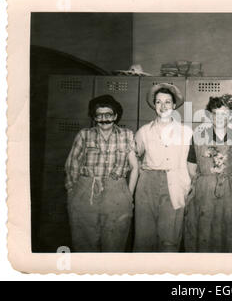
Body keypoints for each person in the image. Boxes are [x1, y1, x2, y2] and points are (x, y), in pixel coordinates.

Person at [65, 94, 138, 252]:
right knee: (85, 243)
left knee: (115, 243)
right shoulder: (84, 135)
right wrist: (73, 193)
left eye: (109, 115)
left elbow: (135, 167)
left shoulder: (127, 135)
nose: (104, 119)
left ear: (116, 116)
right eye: (99, 115)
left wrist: (128, 195)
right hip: (87, 191)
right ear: (94, 117)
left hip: (117, 192)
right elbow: (71, 164)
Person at [184, 94, 232, 252]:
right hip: (204, 194)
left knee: (230, 235)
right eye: (215, 113)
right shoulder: (198, 137)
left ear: (231, 115)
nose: (219, 117)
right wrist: (209, 181)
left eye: (224, 113)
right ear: (209, 115)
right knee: (203, 234)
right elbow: (192, 169)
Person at [133, 83, 192, 252]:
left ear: (174, 105)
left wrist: (186, 185)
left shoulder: (186, 132)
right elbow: (134, 157)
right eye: (158, 102)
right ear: (154, 105)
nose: (163, 106)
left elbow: (191, 162)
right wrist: (143, 172)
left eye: (167, 102)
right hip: (147, 185)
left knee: (170, 238)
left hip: (174, 184)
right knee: (144, 236)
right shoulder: (144, 131)